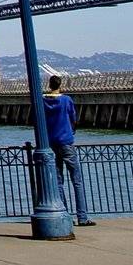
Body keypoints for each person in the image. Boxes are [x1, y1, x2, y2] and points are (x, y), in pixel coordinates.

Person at [44, 74, 96, 225]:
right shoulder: (66, 100)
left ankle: (65, 215)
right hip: (66, 141)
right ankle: (82, 216)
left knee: (59, 180)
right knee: (77, 180)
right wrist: (71, 130)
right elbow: (73, 118)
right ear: (60, 85)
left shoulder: (43, 100)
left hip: (51, 142)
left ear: (49, 85)